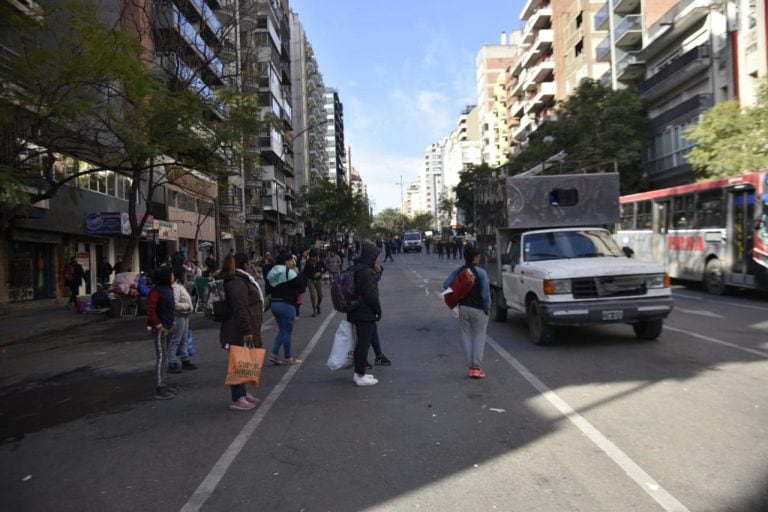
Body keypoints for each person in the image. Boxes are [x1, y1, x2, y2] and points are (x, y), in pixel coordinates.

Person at [219, 253, 264, 411]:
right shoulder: (237, 282)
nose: (251, 265)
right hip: (237, 329)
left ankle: (242, 393)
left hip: (241, 327)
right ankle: (237, 398)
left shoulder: (240, 279)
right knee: (238, 361)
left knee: (244, 360)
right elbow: (240, 307)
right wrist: (247, 330)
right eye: (250, 263)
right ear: (245, 264)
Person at [442, 245, 491, 379]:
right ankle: (476, 367)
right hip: (478, 309)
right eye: (478, 256)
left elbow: (446, 284)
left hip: (463, 308)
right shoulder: (481, 273)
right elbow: (486, 295)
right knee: (479, 337)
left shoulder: (459, 271)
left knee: (466, 336)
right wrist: (487, 309)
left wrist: (459, 288)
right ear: (475, 257)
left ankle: (470, 367)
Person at [348, 242, 382, 386]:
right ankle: (360, 375)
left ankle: (359, 372)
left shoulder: (356, 268)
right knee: (363, 343)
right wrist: (378, 310)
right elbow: (370, 295)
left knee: (361, 343)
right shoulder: (366, 272)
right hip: (364, 312)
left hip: (354, 309)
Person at [267, 252, 305, 365]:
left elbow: (268, 288)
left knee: (282, 330)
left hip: (274, 304)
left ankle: (274, 354)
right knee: (287, 331)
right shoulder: (290, 272)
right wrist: (297, 273)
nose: (292, 262)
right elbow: (302, 288)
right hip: (287, 304)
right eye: (290, 260)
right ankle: (288, 357)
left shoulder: (271, 272)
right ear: (286, 261)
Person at [146, 267, 176, 399]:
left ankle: (163, 383)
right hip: (160, 329)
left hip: (169, 326)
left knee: (165, 357)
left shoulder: (168, 289)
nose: (173, 276)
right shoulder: (156, 291)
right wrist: (158, 325)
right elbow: (151, 310)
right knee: (161, 357)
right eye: (171, 274)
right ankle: (159, 387)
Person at [168, 268, 196, 374]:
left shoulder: (179, 287)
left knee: (184, 338)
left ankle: (185, 358)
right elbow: (174, 304)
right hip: (179, 315)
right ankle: (172, 361)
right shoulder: (176, 287)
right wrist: (186, 306)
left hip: (184, 315)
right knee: (177, 338)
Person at [302, 249, 325, 317]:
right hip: (310, 280)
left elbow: (325, 269)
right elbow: (304, 272)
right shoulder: (307, 263)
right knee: (312, 295)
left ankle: (318, 305)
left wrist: (320, 273)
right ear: (310, 256)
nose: (313, 258)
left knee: (320, 295)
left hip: (318, 279)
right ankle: (314, 310)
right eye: (312, 256)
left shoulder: (320, 262)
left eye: (315, 256)